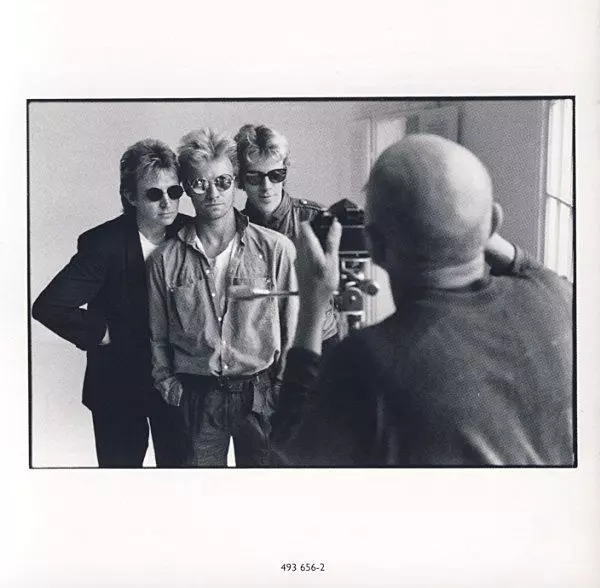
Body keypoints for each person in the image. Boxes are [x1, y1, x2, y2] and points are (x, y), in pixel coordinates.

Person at [271, 133, 573, 467]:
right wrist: (472, 225)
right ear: (495, 223)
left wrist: (312, 308)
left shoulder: (366, 361)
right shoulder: (557, 298)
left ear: (375, 246)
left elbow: (289, 464)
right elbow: (531, 269)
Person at [32, 139, 192, 468]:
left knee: (180, 481)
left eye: (174, 191)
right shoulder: (102, 244)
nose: (167, 203)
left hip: (176, 383)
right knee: (119, 484)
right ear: (130, 196)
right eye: (154, 194)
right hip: (118, 384)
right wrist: (104, 331)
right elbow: (49, 306)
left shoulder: (191, 233)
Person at [146, 128, 298, 467]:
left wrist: (281, 387)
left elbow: (292, 331)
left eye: (223, 182)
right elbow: (157, 334)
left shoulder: (276, 250)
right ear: (186, 188)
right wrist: (167, 383)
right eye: (200, 184)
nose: (213, 193)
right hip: (197, 396)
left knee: (264, 490)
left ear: (236, 181)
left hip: (259, 394)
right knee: (199, 492)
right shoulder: (164, 260)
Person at [235, 124, 339, 351]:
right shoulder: (233, 229)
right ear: (240, 179)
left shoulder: (315, 218)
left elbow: (339, 290)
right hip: (261, 352)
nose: (266, 187)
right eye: (254, 177)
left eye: (276, 175)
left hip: (319, 343)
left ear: (285, 172)